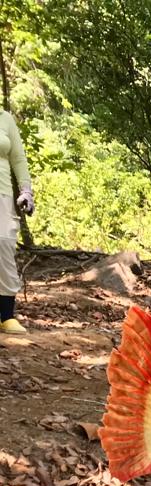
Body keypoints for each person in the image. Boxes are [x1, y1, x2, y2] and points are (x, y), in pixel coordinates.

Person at [0, 109, 34, 334]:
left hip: (2, 193)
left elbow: (18, 158)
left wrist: (26, 191)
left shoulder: (5, 118)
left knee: (3, 245)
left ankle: (6, 316)